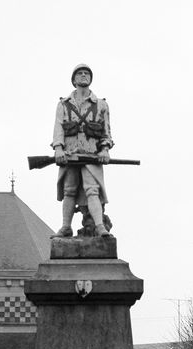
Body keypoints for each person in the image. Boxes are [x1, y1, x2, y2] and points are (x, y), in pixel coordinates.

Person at [51, 64, 114, 238]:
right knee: (69, 190)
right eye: (80, 73)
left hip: (92, 155)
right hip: (69, 155)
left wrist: (105, 150)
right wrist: (58, 149)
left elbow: (106, 131)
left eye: (87, 73)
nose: (84, 75)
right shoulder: (63, 104)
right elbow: (58, 129)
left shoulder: (101, 105)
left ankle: (99, 226)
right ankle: (66, 227)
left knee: (92, 190)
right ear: (74, 79)